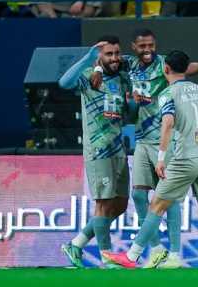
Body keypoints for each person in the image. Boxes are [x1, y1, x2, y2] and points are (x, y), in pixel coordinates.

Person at [89, 29, 198, 268]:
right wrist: (96, 69)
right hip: (142, 139)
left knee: (169, 198)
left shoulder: (163, 64)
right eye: (143, 46)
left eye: (151, 45)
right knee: (138, 194)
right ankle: (157, 249)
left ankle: (175, 253)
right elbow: (106, 60)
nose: (148, 50)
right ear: (133, 47)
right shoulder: (128, 63)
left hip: (163, 141)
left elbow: (185, 69)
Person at [58, 36, 132, 269]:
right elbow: (64, 82)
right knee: (103, 203)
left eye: (117, 53)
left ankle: (76, 244)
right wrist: (89, 58)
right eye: (109, 54)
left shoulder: (121, 77)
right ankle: (106, 256)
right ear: (100, 56)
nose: (114, 58)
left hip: (119, 148)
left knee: (119, 204)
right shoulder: (90, 77)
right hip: (98, 151)